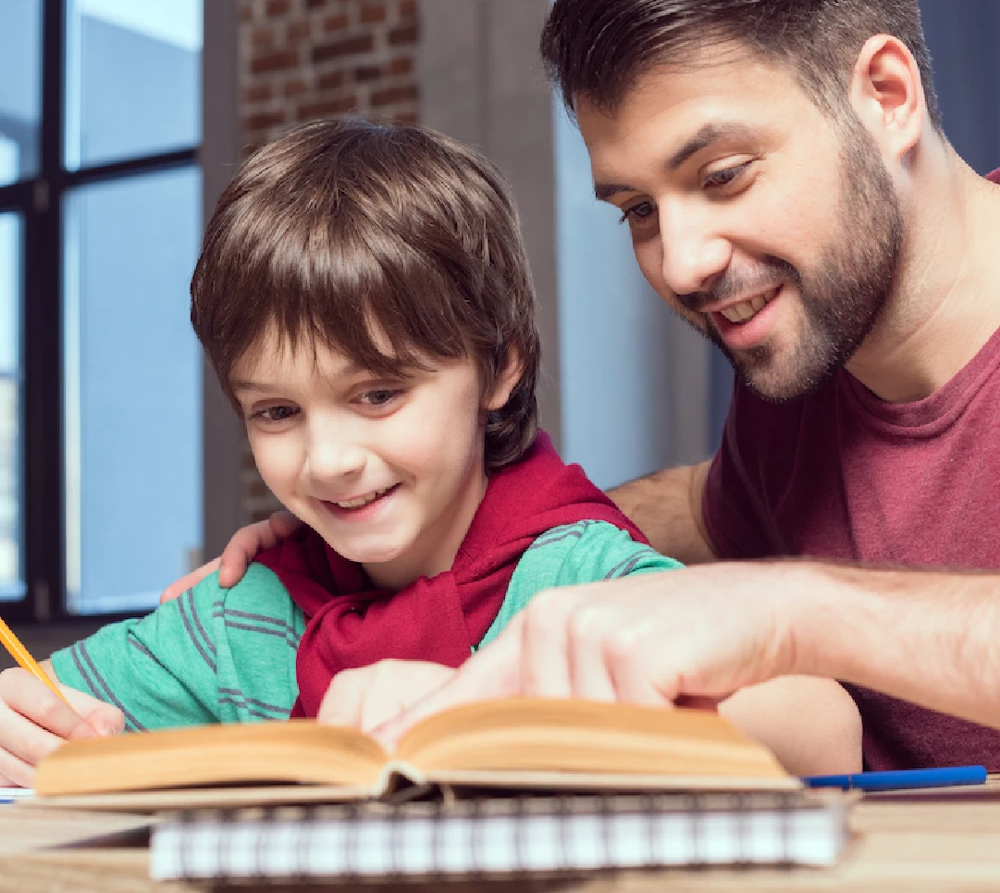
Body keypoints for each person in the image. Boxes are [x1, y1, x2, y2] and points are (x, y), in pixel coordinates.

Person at [201, 0, 1000, 772]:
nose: (683, 261)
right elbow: (696, 505)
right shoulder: (804, 368)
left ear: (887, 96)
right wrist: (350, 548)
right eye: (639, 211)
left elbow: (768, 611)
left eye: (725, 175)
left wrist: (792, 609)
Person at [0, 117, 859, 787]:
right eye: (275, 412)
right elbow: (48, 708)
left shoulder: (577, 578)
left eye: (378, 394)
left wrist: (496, 707)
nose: (329, 459)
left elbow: (820, 725)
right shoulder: (242, 614)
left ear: (499, 367)